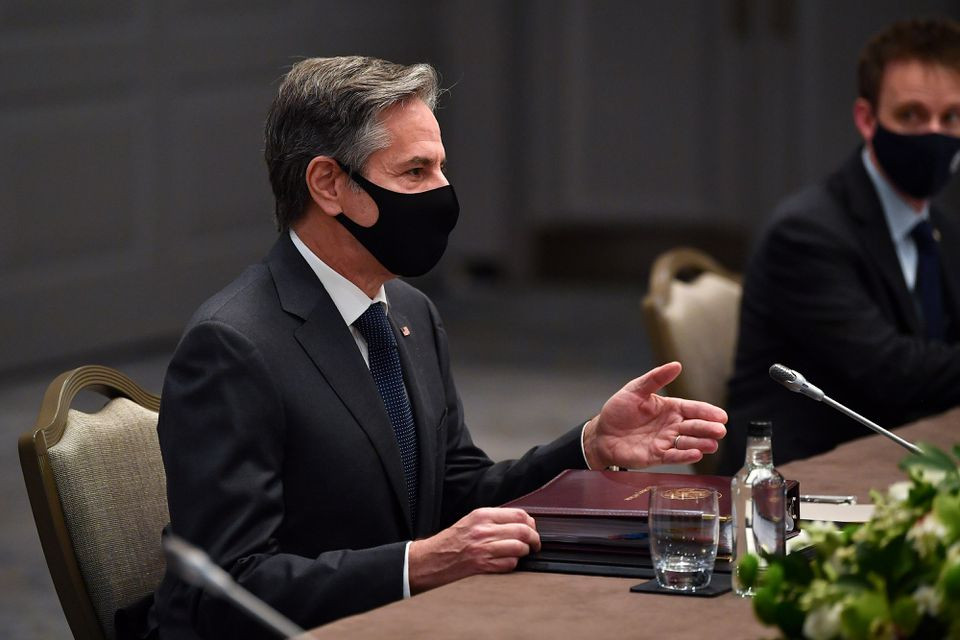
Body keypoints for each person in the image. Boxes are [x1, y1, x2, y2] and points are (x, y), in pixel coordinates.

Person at [143, 56, 727, 639]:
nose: (443, 193)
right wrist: (416, 565)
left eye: (441, 167)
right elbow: (224, 591)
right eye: (415, 172)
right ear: (328, 185)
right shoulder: (232, 346)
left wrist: (590, 444)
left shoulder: (406, 311)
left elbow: (454, 493)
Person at [720, 17, 960, 474]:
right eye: (911, 115)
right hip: (807, 484)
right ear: (867, 119)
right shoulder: (807, 233)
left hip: (903, 455)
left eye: (950, 118)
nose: (934, 134)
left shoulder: (943, 230)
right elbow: (892, 375)